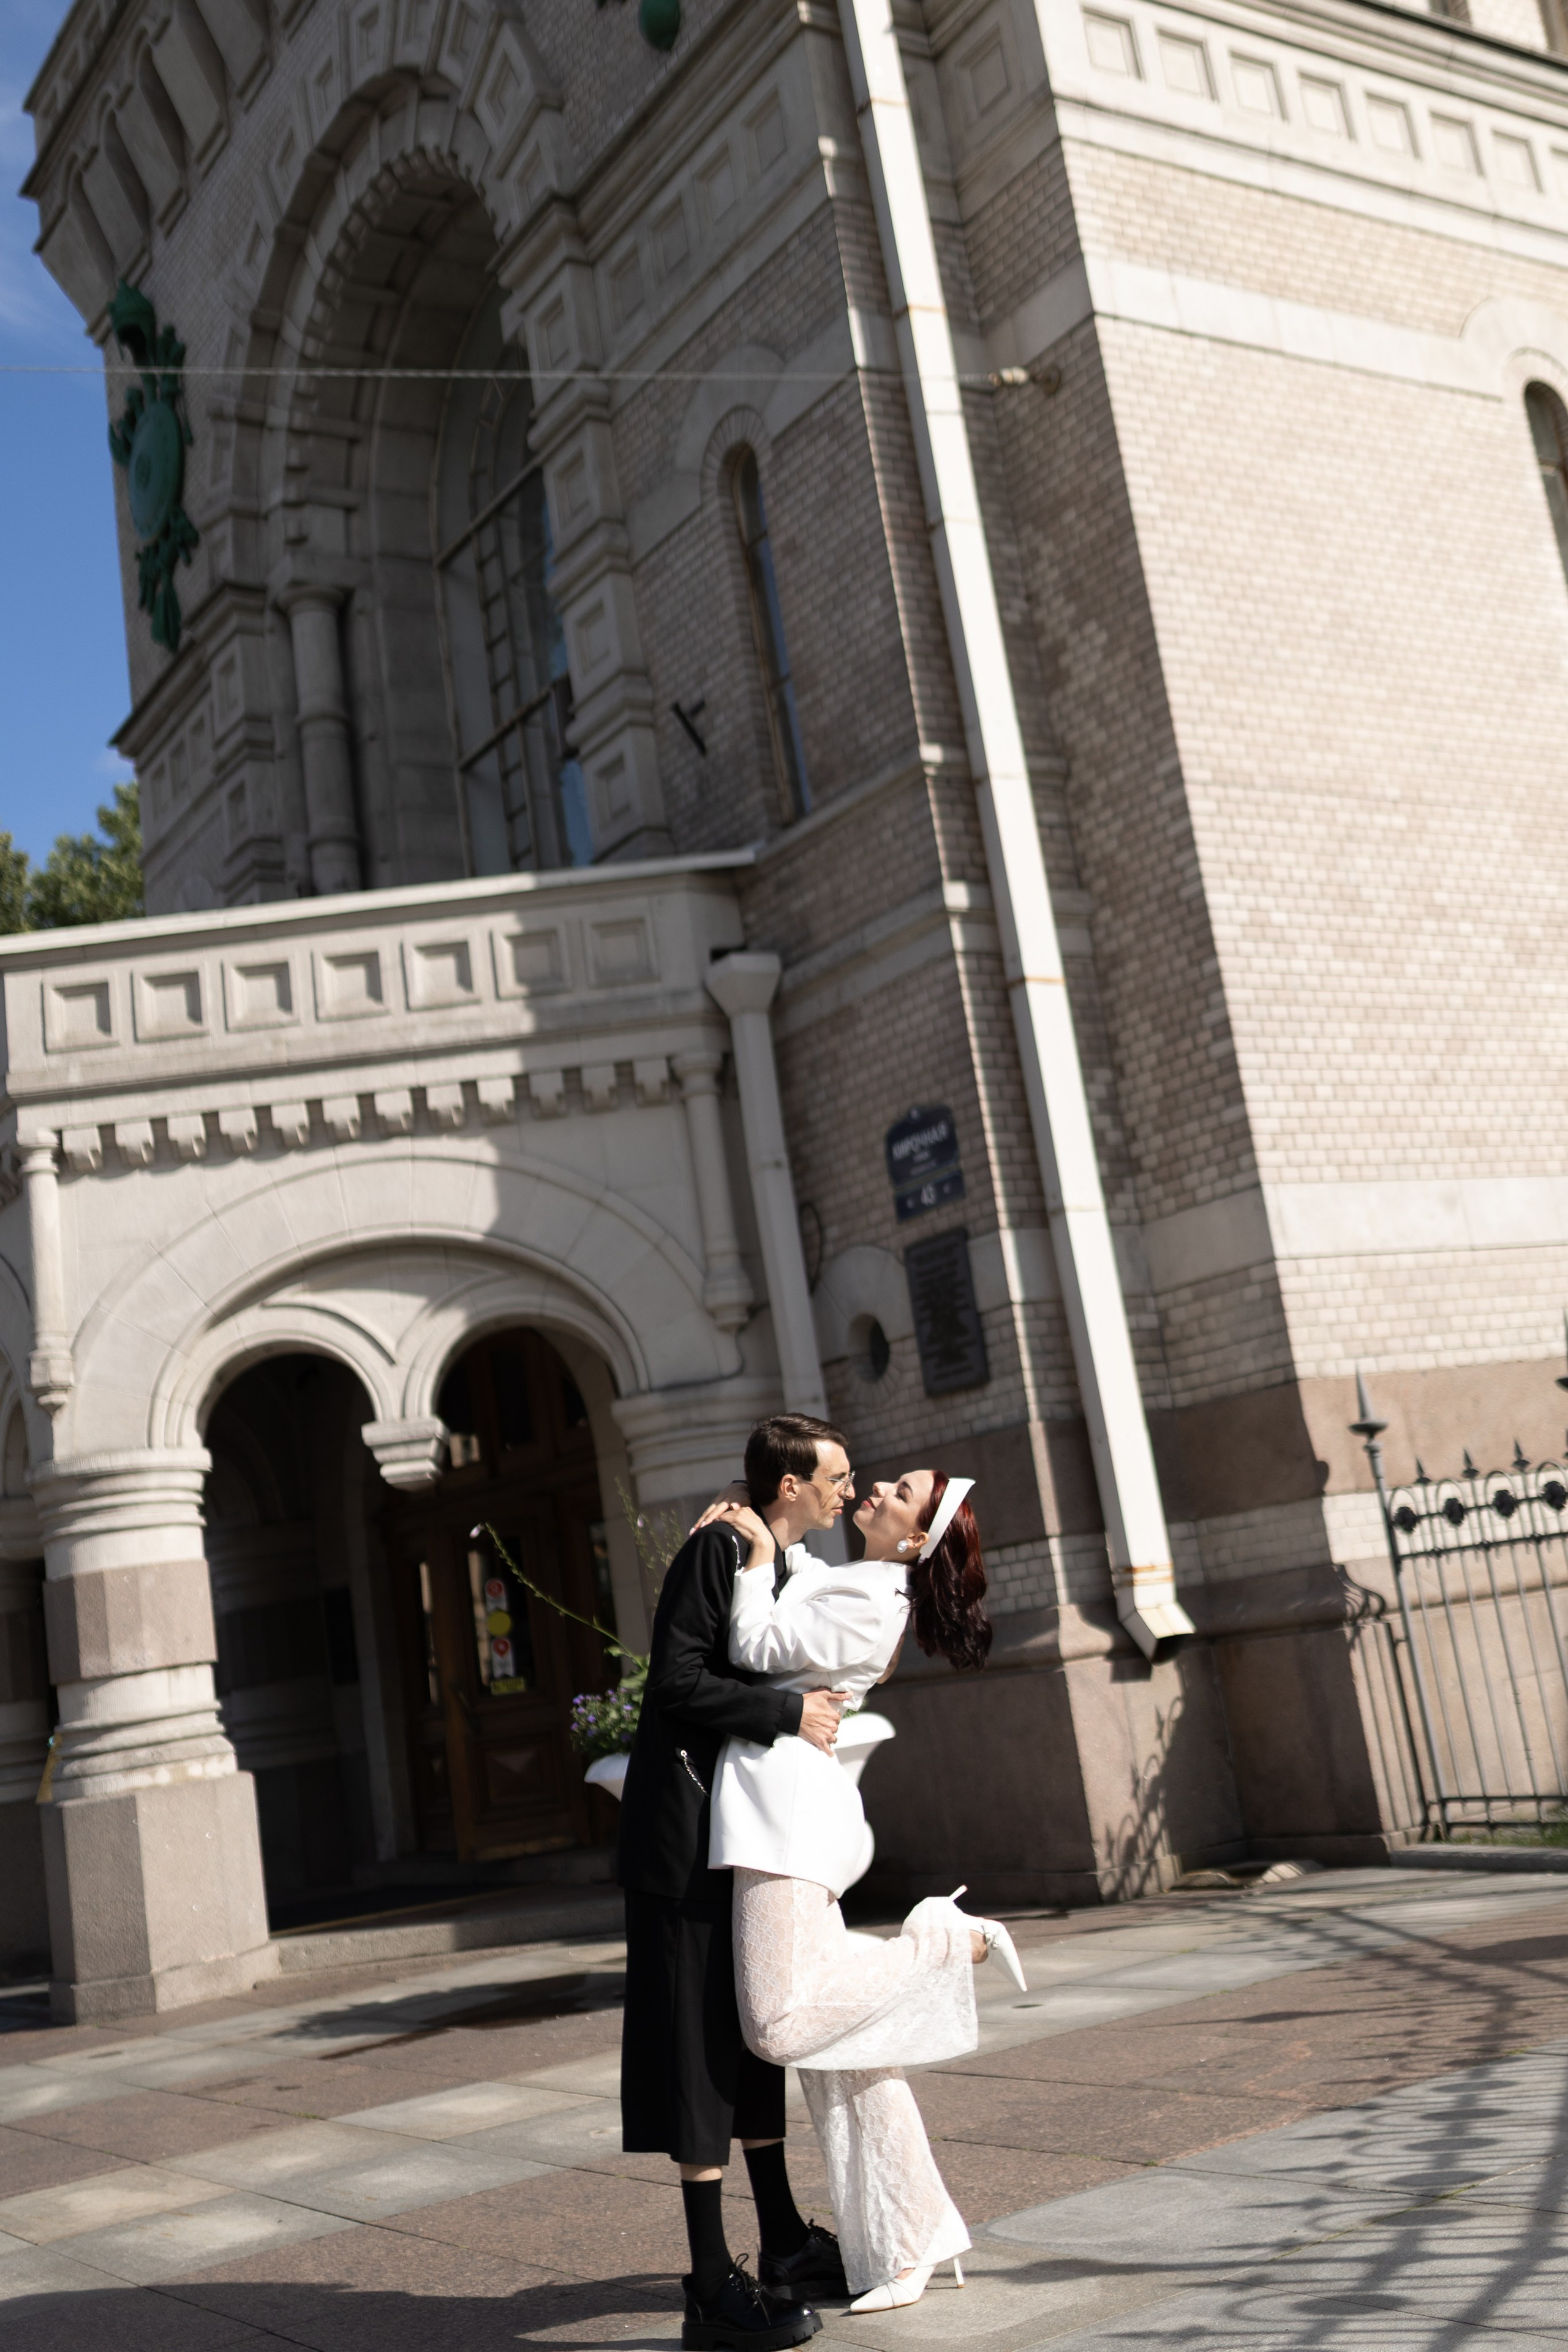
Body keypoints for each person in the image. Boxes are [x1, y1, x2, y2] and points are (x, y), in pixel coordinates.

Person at [704, 1466, 1027, 2311]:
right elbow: (799, 1586)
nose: (878, 1488)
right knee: (842, 2051)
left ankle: (948, 1940)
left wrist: (748, 1557)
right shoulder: (857, 1581)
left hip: (787, 1822)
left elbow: (756, 1648)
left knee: (776, 2023)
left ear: (916, 1538)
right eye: (884, 1480)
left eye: (901, 1492)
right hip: (785, 1814)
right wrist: (774, 1541)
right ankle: (909, 2237)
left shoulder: (876, 1599)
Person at [617, 1412, 856, 2351]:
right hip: (683, 1847)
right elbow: (672, 1683)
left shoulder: (780, 1562)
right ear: (788, 1484)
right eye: (835, 1475)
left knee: (755, 2036)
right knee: (700, 2058)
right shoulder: (719, 1547)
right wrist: (788, 1712)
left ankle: (786, 2239)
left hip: (742, 1840)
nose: (847, 1487)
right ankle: (710, 2286)